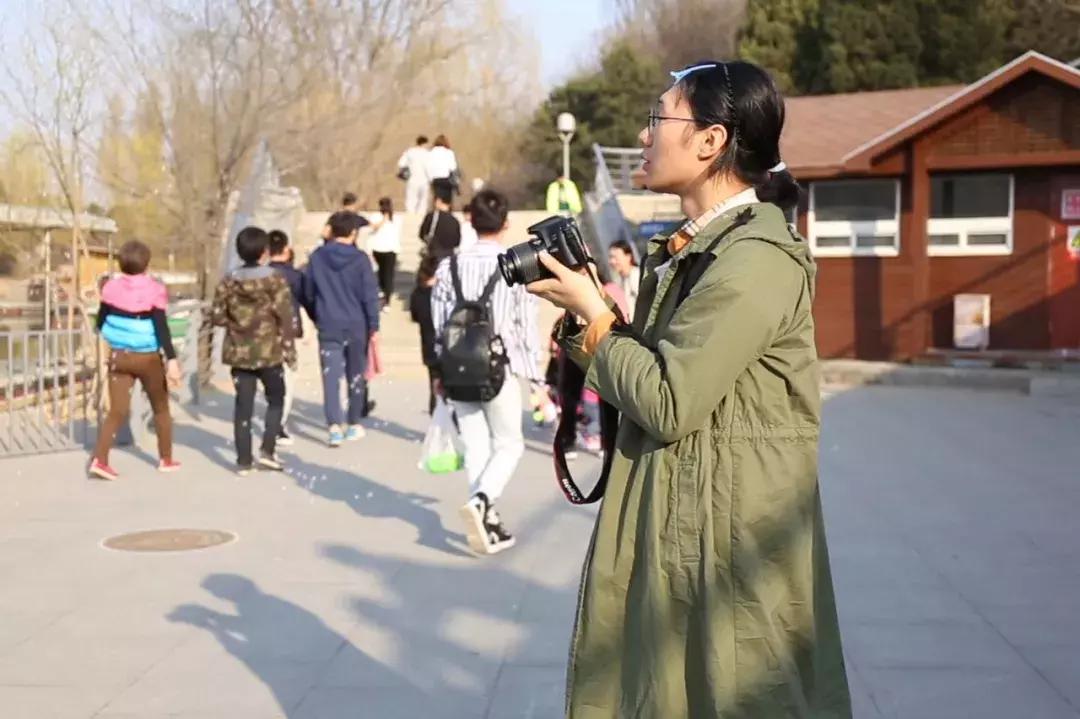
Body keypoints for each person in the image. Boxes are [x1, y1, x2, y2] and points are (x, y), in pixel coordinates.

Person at [527, 60, 852, 717]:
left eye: (658, 119)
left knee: (731, 694)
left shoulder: (755, 257)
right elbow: (657, 380)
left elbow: (670, 399)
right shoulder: (692, 250)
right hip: (685, 523)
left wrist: (595, 318)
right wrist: (589, 317)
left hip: (730, 548)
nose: (644, 136)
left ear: (710, 140)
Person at [431, 188, 541, 556]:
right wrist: (536, 378)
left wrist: (437, 369)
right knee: (509, 444)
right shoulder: (515, 265)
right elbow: (526, 325)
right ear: (506, 223)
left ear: (470, 221)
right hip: (498, 367)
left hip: (458, 368)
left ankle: (486, 517)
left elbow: (438, 324)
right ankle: (482, 502)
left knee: (477, 443)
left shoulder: (449, 267)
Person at [90, 240, 181, 480]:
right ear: (147, 264)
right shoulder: (154, 290)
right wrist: (171, 359)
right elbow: (162, 328)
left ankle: (100, 459)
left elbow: (100, 320)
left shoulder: (110, 288)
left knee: (116, 412)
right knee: (161, 408)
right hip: (148, 357)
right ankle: (166, 459)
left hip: (120, 356)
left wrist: (101, 333)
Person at [211, 226, 296, 475]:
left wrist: (237, 324)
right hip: (269, 351)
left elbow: (216, 316)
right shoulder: (275, 279)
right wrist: (290, 350)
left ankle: (244, 460)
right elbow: (285, 316)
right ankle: (268, 450)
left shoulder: (228, 280)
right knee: (276, 399)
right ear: (264, 252)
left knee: (243, 406)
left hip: (239, 352)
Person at [303, 211, 380, 447]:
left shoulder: (317, 258)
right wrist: (374, 325)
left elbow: (308, 292)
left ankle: (334, 426)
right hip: (356, 323)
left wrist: (316, 315)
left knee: (330, 376)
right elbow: (369, 296)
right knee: (356, 374)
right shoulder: (360, 260)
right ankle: (353, 422)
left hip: (328, 321)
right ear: (353, 233)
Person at [267, 230, 304, 446]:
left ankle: (273, 417)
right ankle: (279, 424)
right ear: (287, 249)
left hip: (262, 332)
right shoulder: (294, 276)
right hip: (288, 331)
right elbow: (306, 298)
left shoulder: (261, 274)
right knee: (287, 379)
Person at [408, 255, 440, 414]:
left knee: (433, 382)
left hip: (428, 344)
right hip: (446, 344)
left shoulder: (417, 293)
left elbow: (415, 317)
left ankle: (434, 413)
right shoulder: (441, 293)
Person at [367, 197, 402, 310]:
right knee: (381, 274)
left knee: (388, 276)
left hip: (390, 250)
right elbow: (373, 228)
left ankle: (387, 300)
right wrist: (384, 219)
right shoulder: (375, 216)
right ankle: (381, 295)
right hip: (378, 249)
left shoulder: (397, 218)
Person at [418, 180, 461, 261]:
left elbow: (422, 234)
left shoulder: (431, 217)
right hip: (449, 258)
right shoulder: (455, 221)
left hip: (433, 258)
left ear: (438, 201)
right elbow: (457, 242)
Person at [607, 239, 640, 321]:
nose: (612, 261)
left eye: (615, 257)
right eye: (610, 257)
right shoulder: (621, 280)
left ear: (628, 256)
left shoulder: (636, 275)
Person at [397, 135, 431, 213]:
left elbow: (401, 163)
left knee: (411, 200)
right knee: (423, 201)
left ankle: (410, 217)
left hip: (412, 180)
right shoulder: (427, 153)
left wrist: (407, 169)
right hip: (424, 180)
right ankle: (421, 218)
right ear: (425, 143)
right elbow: (430, 168)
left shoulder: (410, 151)